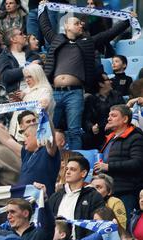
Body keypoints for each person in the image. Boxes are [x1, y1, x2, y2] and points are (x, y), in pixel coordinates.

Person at [38, 0, 133, 150]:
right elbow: (45, 27)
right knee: (50, 129)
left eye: (81, 24)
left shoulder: (87, 42)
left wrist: (128, 21)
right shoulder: (57, 39)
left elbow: (108, 34)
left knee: (74, 131)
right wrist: (42, 8)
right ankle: (51, 162)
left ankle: (75, 161)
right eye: (76, 23)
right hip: (54, 92)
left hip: (74, 93)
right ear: (67, 26)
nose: (80, 25)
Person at [0, 118, 60, 196]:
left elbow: (51, 135)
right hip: (22, 203)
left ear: (39, 135)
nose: (24, 139)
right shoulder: (26, 153)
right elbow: (7, 139)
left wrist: (45, 114)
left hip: (40, 204)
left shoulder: (48, 151)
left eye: (27, 136)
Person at [95, 105, 143, 216]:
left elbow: (137, 163)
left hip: (126, 192)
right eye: (108, 116)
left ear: (125, 119)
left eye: (113, 115)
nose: (109, 118)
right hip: (110, 191)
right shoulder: (110, 137)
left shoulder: (136, 137)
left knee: (124, 227)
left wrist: (108, 167)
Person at [48, 155, 104, 239]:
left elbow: (96, 224)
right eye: (67, 169)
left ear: (83, 173)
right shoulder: (55, 196)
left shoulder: (94, 197)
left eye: (72, 169)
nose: (67, 172)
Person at [82, 72, 125, 150]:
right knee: (86, 138)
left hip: (116, 128)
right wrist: (91, 127)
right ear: (101, 84)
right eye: (108, 80)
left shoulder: (117, 95)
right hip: (99, 132)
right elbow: (86, 119)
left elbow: (124, 112)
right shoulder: (91, 99)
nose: (111, 81)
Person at [0, 28, 40, 94]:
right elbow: (5, 76)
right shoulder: (3, 57)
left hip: (35, 94)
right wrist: (27, 68)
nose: (25, 36)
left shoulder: (32, 54)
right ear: (13, 39)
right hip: (16, 98)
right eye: (21, 34)